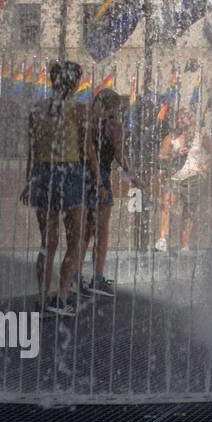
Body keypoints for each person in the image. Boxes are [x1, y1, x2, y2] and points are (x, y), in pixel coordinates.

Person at [21, 61, 96, 317]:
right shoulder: (79, 110)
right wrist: (96, 180)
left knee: (47, 242)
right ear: (75, 83)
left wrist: (28, 181)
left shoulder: (36, 109)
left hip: (43, 174)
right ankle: (61, 298)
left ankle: (42, 300)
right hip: (71, 173)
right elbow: (87, 151)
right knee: (75, 240)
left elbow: (31, 151)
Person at [81, 88, 146, 297]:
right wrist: (133, 177)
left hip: (84, 177)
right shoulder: (114, 126)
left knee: (85, 230)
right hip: (102, 179)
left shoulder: (88, 124)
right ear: (113, 106)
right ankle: (97, 279)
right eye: (118, 106)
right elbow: (120, 155)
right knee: (101, 232)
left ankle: (74, 276)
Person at [156, 109, 212, 252]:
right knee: (166, 204)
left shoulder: (199, 137)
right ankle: (163, 239)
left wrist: (205, 165)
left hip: (193, 177)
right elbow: (160, 156)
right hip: (173, 176)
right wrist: (175, 154)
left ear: (191, 120)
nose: (181, 121)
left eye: (184, 118)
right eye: (178, 118)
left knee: (189, 212)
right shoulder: (170, 138)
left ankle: (184, 244)